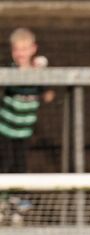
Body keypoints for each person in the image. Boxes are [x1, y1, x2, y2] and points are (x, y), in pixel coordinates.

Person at [1, 28, 54, 224]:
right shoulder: (10, 69)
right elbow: (14, 81)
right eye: (17, 49)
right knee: (5, 163)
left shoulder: (39, 72)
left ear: (33, 49)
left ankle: (20, 201)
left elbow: (48, 93)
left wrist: (42, 77)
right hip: (5, 129)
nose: (20, 53)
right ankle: (2, 201)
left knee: (20, 164)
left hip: (24, 130)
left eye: (24, 49)